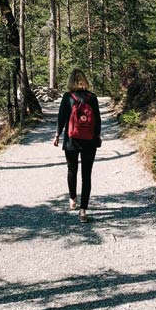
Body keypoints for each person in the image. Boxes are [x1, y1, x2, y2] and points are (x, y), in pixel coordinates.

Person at [53, 69, 102, 223]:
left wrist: (57, 135)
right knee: (86, 175)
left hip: (71, 140)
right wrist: (97, 137)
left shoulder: (68, 97)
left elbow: (61, 118)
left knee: (72, 170)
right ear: (85, 80)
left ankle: (73, 198)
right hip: (89, 141)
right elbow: (98, 120)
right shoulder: (92, 97)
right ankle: (83, 211)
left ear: (70, 81)